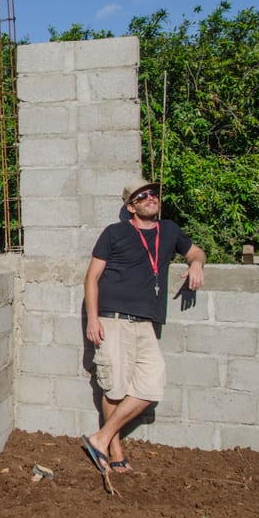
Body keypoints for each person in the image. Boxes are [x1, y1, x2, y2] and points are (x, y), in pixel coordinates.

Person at [81, 177, 206, 475]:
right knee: (114, 388)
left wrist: (197, 264)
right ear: (131, 207)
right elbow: (91, 278)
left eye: (153, 194)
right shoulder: (115, 233)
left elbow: (196, 252)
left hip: (146, 323)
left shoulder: (170, 231)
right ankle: (115, 450)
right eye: (142, 196)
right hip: (114, 320)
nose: (151, 198)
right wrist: (94, 318)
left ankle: (99, 438)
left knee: (152, 386)